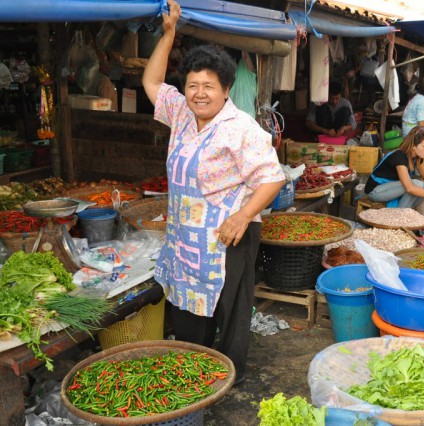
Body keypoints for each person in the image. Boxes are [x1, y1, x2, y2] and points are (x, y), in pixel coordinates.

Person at [142, 0, 285, 386]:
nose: (199, 94)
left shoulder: (241, 128)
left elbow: (272, 178)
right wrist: (169, 35)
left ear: (225, 89)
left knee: (230, 308)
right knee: (188, 304)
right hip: (187, 236)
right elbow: (152, 83)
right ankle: (194, 367)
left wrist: (241, 216)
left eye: (209, 86)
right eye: (193, 85)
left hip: (229, 234)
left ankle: (229, 374)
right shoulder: (181, 114)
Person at [364, 127, 424, 208]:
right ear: (413, 146)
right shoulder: (399, 156)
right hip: (376, 191)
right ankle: (401, 214)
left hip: (391, 188)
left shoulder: (417, 157)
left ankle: (405, 210)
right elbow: (409, 188)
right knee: (417, 184)